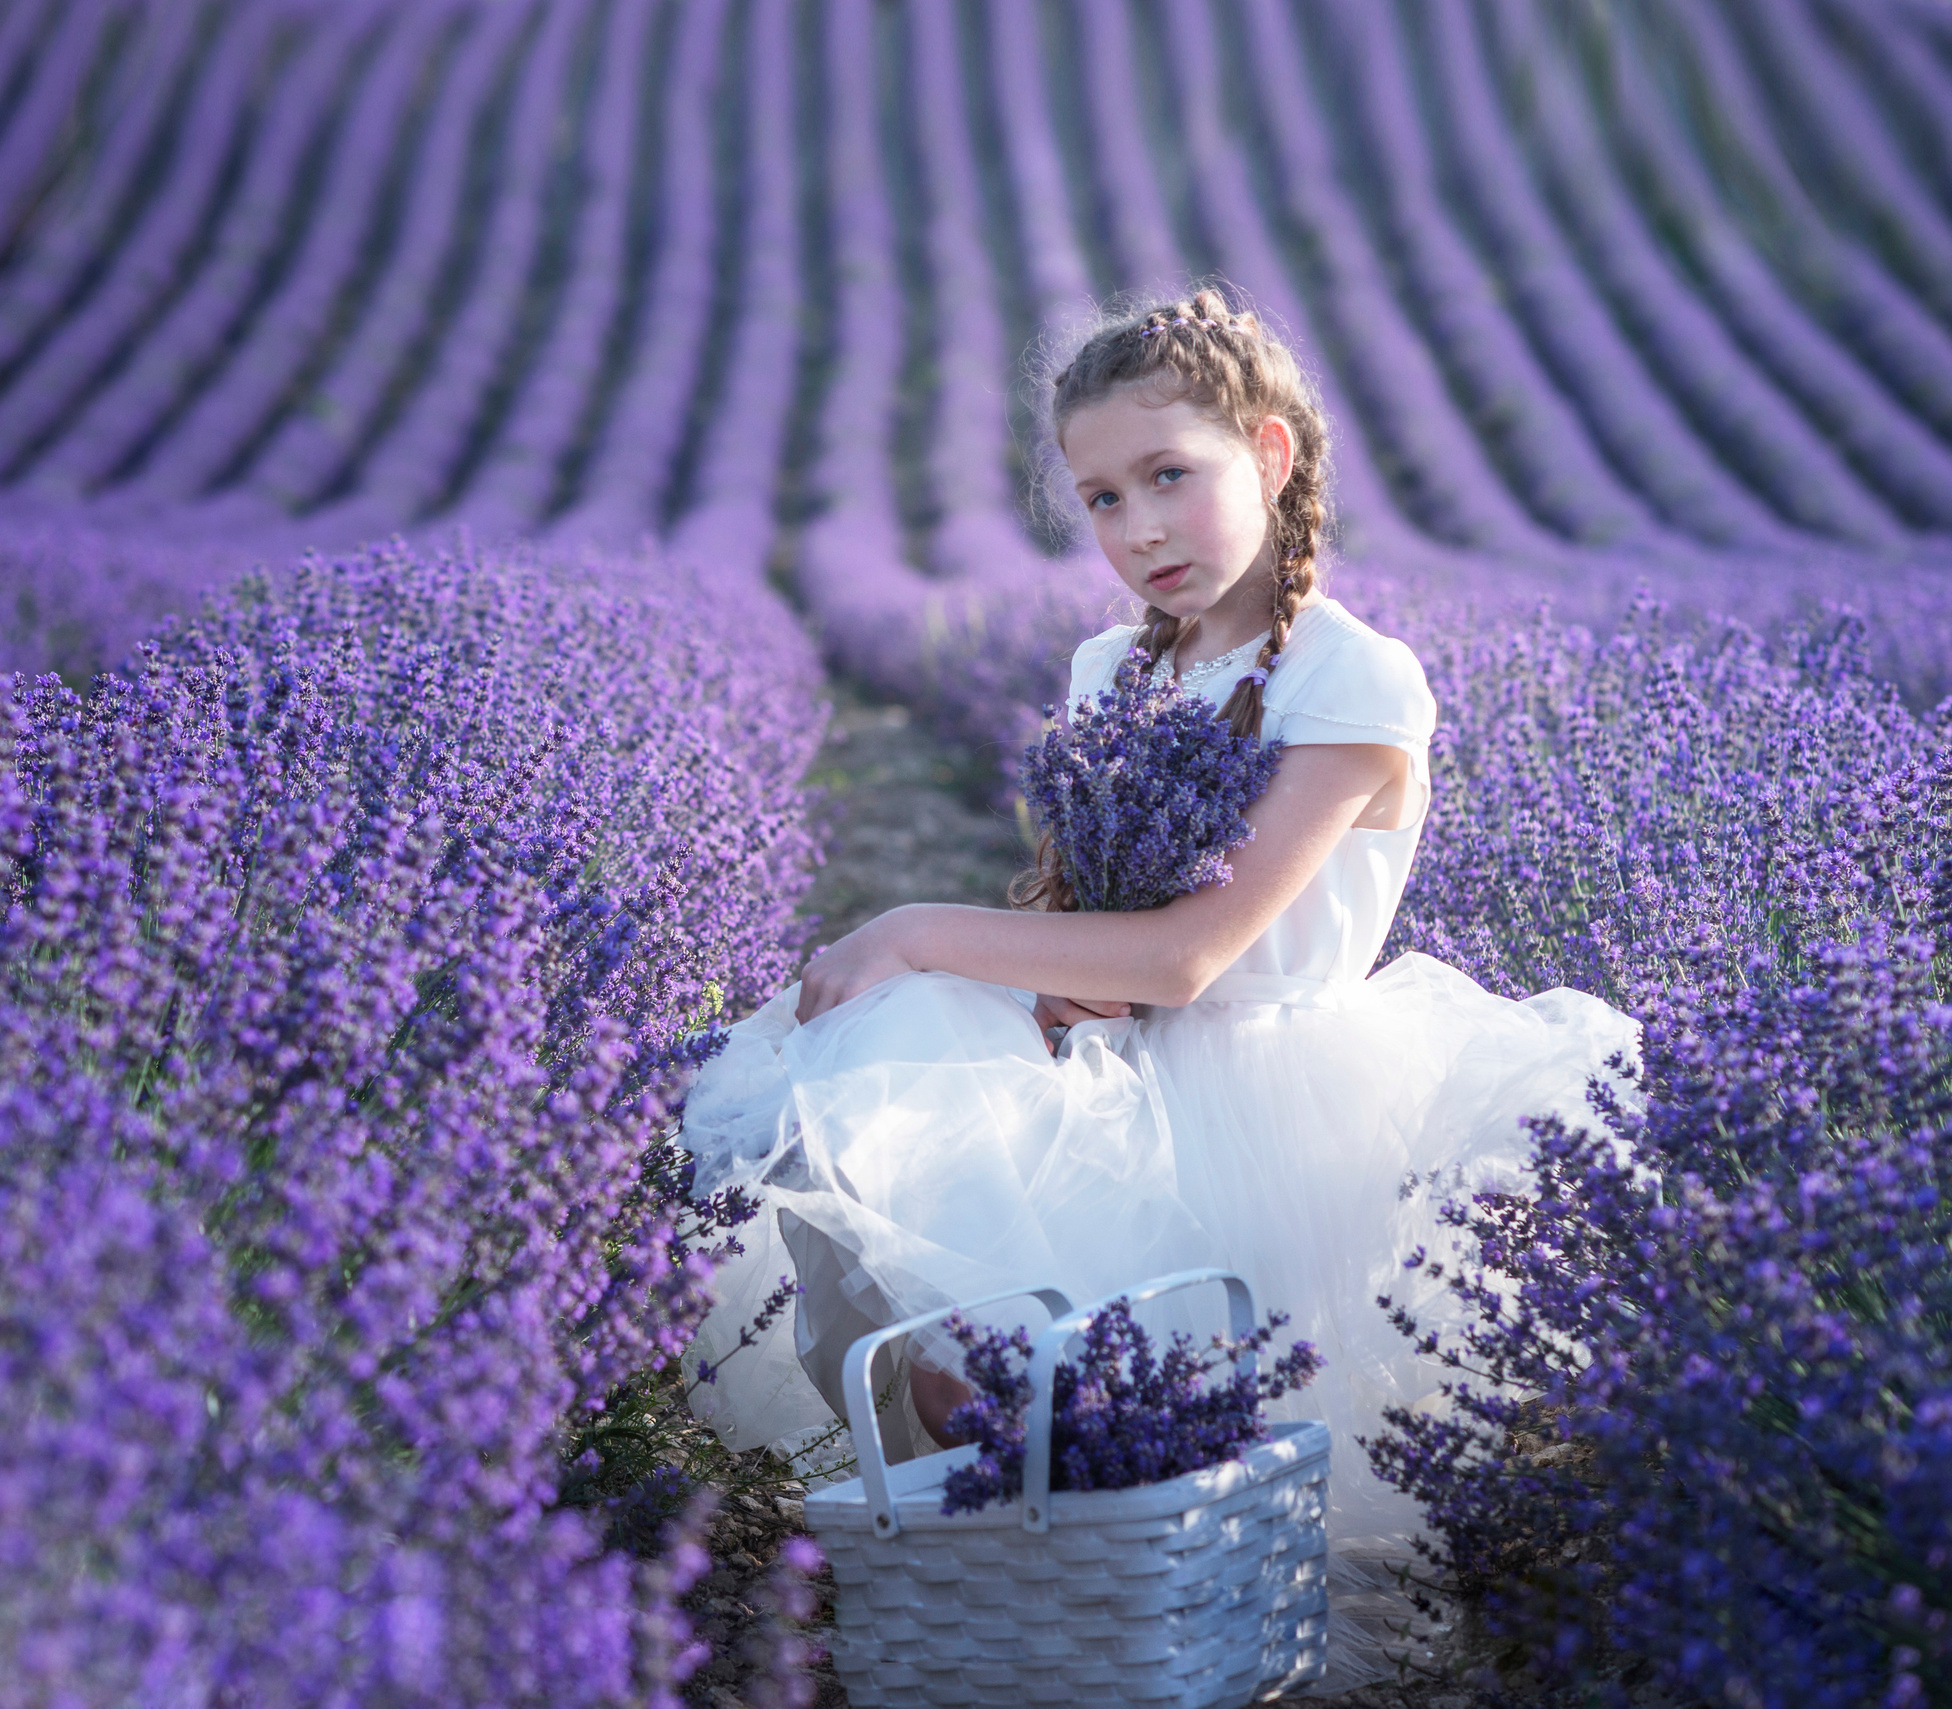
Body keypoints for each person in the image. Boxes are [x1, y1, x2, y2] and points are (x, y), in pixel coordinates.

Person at [680, 286, 1638, 1558]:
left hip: (1272, 1114)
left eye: (1169, 474)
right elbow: (1086, 927)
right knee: (871, 1089)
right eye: (1103, 498)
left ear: (1273, 455)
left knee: (1165, 1448)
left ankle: (1051, 1518)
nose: (1138, 527)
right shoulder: (1105, 670)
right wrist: (1023, 994)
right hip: (1119, 1077)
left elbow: (1189, 953)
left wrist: (912, 922)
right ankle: (999, 1525)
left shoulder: (1349, 675)